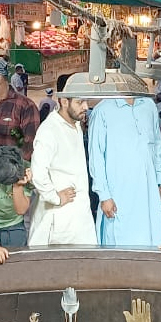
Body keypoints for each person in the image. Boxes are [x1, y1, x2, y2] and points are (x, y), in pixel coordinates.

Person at [88, 97, 161, 247]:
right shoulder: (102, 110)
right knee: (121, 245)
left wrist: (159, 183)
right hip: (118, 195)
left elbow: (157, 146)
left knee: (152, 240)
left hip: (149, 192)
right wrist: (104, 195)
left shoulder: (148, 105)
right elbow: (96, 156)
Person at [28, 93, 96, 246]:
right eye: (80, 102)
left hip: (80, 215)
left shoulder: (76, 124)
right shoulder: (49, 130)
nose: (86, 107)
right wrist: (55, 198)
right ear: (64, 101)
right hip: (58, 217)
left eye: (86, 101)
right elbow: (38, 173)